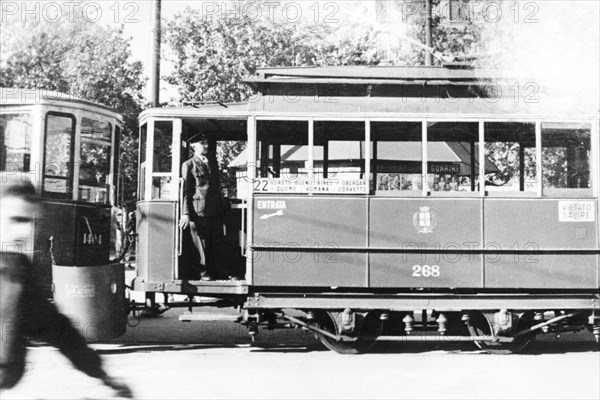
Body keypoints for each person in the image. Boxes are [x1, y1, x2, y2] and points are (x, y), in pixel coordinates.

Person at [0, 174, 133, 397]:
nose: (23, 233)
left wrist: (103, 376)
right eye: (16, 220)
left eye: (30, 221)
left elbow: (55, 328)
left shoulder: (17, 271)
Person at [178, 133, 233, 281]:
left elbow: (215, 186)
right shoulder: (188, 165)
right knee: (200, 244)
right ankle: (202, 273)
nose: (206, 146)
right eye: (203, 143)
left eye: (207, 143)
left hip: (215, 209)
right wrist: (186, 213)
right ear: (193, 146)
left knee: (216, 241)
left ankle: (218, 271)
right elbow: (186, 191)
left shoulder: (212, 162)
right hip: (198, 210)